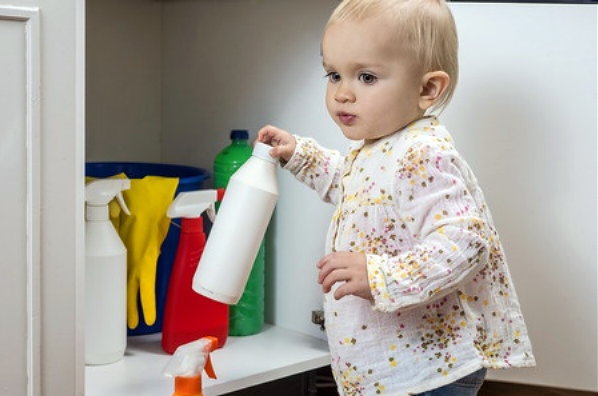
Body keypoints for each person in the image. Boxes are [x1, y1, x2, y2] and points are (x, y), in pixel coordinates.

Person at [257, 0, 535, 394]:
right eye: (334, 74)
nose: (343, 94)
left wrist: (380, 275)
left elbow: (466, 243)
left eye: (366, 77)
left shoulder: (420, 152)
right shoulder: (380, 148)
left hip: (427, 369)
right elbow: (354, 187)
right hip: (396, 366)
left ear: (427, 89)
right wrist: (300, 154)